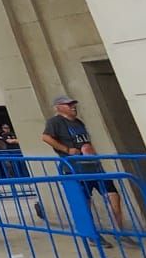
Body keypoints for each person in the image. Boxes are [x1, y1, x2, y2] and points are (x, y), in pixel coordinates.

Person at [41, 95, 136, 249]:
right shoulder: (55, 122)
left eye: (73, 104)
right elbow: (46, 137)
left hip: (94, 166)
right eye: (68, 105)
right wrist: (66, 150)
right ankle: (92, 234)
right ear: (58, 107)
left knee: (113, 196)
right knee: (85, 202)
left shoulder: (79, 123)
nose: (72, 107)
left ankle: (119, 232)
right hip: (76, 169)